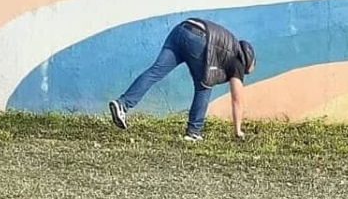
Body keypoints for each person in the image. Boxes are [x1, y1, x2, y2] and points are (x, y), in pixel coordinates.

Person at [108, 18, 255, 142]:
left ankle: (122, 104)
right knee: (204, 85)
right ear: (249, 60)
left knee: (155, 71)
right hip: (199, 38)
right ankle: (193, 132)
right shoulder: (238, 60)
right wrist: (238, 131)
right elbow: (237, 99)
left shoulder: (229, 48)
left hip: (180, 30)